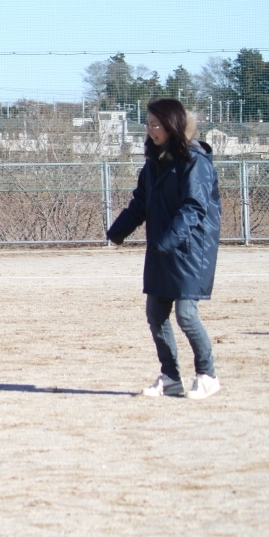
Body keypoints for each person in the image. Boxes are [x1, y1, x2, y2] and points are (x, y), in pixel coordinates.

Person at [107, 98, 222, 400]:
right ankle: (170, 378)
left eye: (156, 125)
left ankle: (207, 375)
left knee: (186, 314)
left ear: (172, 126)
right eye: (148, 124)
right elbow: (140, 203)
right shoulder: (153, 162)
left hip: (190, 251)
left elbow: (194, 207)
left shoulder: (195, 161)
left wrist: (169, 240)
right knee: (156, 314)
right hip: (162, 249)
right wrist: (118, 230)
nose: (151, 130)